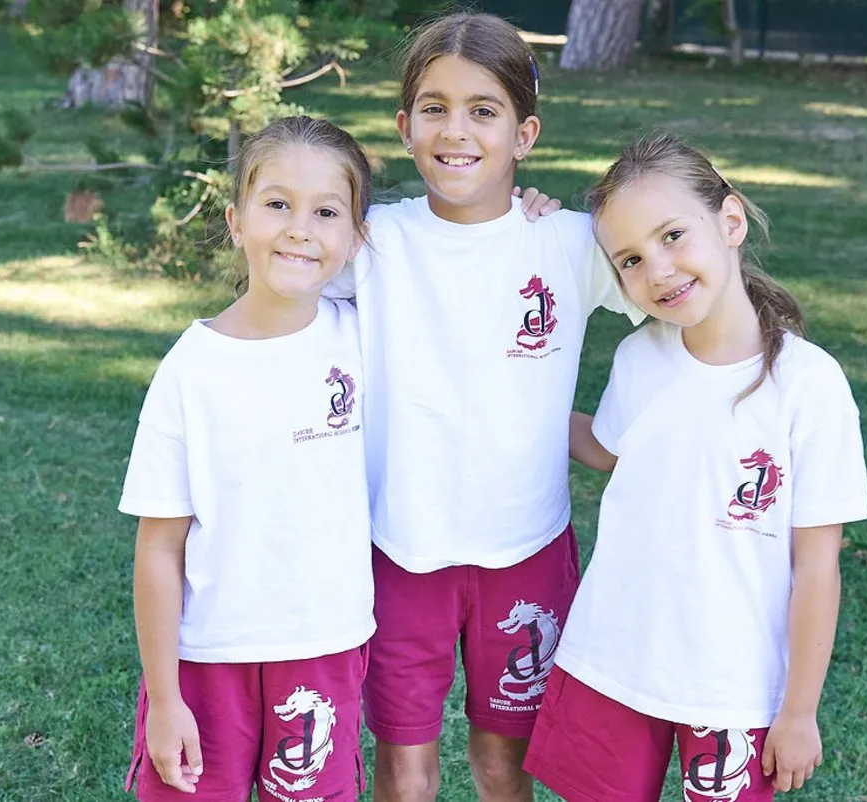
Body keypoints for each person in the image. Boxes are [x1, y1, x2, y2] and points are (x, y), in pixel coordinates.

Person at [341, 12, 643, 802]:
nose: (457, 130)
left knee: (504, 762)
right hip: (400, 548)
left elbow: (682, 295)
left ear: (524, 134)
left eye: (484, 111)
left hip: (526, 548)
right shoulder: (373, 243)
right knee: (403, 767)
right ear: (404, 128)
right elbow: (284, 268)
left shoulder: (569, 243)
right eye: (434, 108)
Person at [522, 131, 867, 801]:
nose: (657, 269)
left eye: (672, 236)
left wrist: (799, 712)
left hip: (732, 684)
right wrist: (512, 409)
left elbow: (817, 568)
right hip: (615, 658)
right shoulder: (639, 357)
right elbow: (607, 447)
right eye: (630, 259)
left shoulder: (808, 385)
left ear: (730, 222)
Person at [118, 115, 376, 802]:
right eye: (278, 204)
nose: (300, 229)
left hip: (324, 648)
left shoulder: (366, 340)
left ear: (356, 238)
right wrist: (165, 697)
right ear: (236, 222)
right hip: (207, 659)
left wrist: (522, 209)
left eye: (326, 212)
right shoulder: (191, 369)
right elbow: (158, 547)